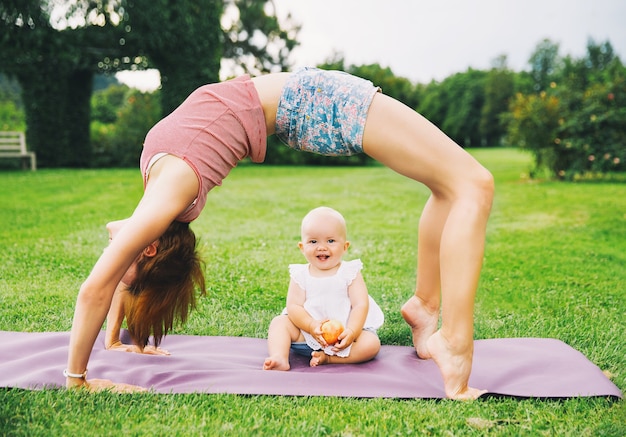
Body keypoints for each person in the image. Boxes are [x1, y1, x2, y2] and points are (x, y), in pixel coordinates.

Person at [66, 67, 493, 399]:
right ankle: (454, 342)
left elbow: (104, 281)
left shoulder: (160, 206)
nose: (117, 249)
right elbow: (109, 281)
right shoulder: (163, 195)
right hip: (310, 104)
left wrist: (96, 359)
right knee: (474, 184)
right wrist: (97, 359)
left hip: (306, 102)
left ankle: (424, 305)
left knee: (448, 187)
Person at [263, 207, 384, 371]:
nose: (322, 247)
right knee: (279, 322)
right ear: (302, 247)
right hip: (307, 337)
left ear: (345, 246)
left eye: (331, 241)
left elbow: (360, 305)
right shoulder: (300, 274)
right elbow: (294, 307)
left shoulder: (350, 272)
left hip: (346, 338)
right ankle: (279, 357)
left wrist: (352, 331)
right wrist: (311, 325)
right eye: (313, 242)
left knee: (371, 344)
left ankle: (329, 358)